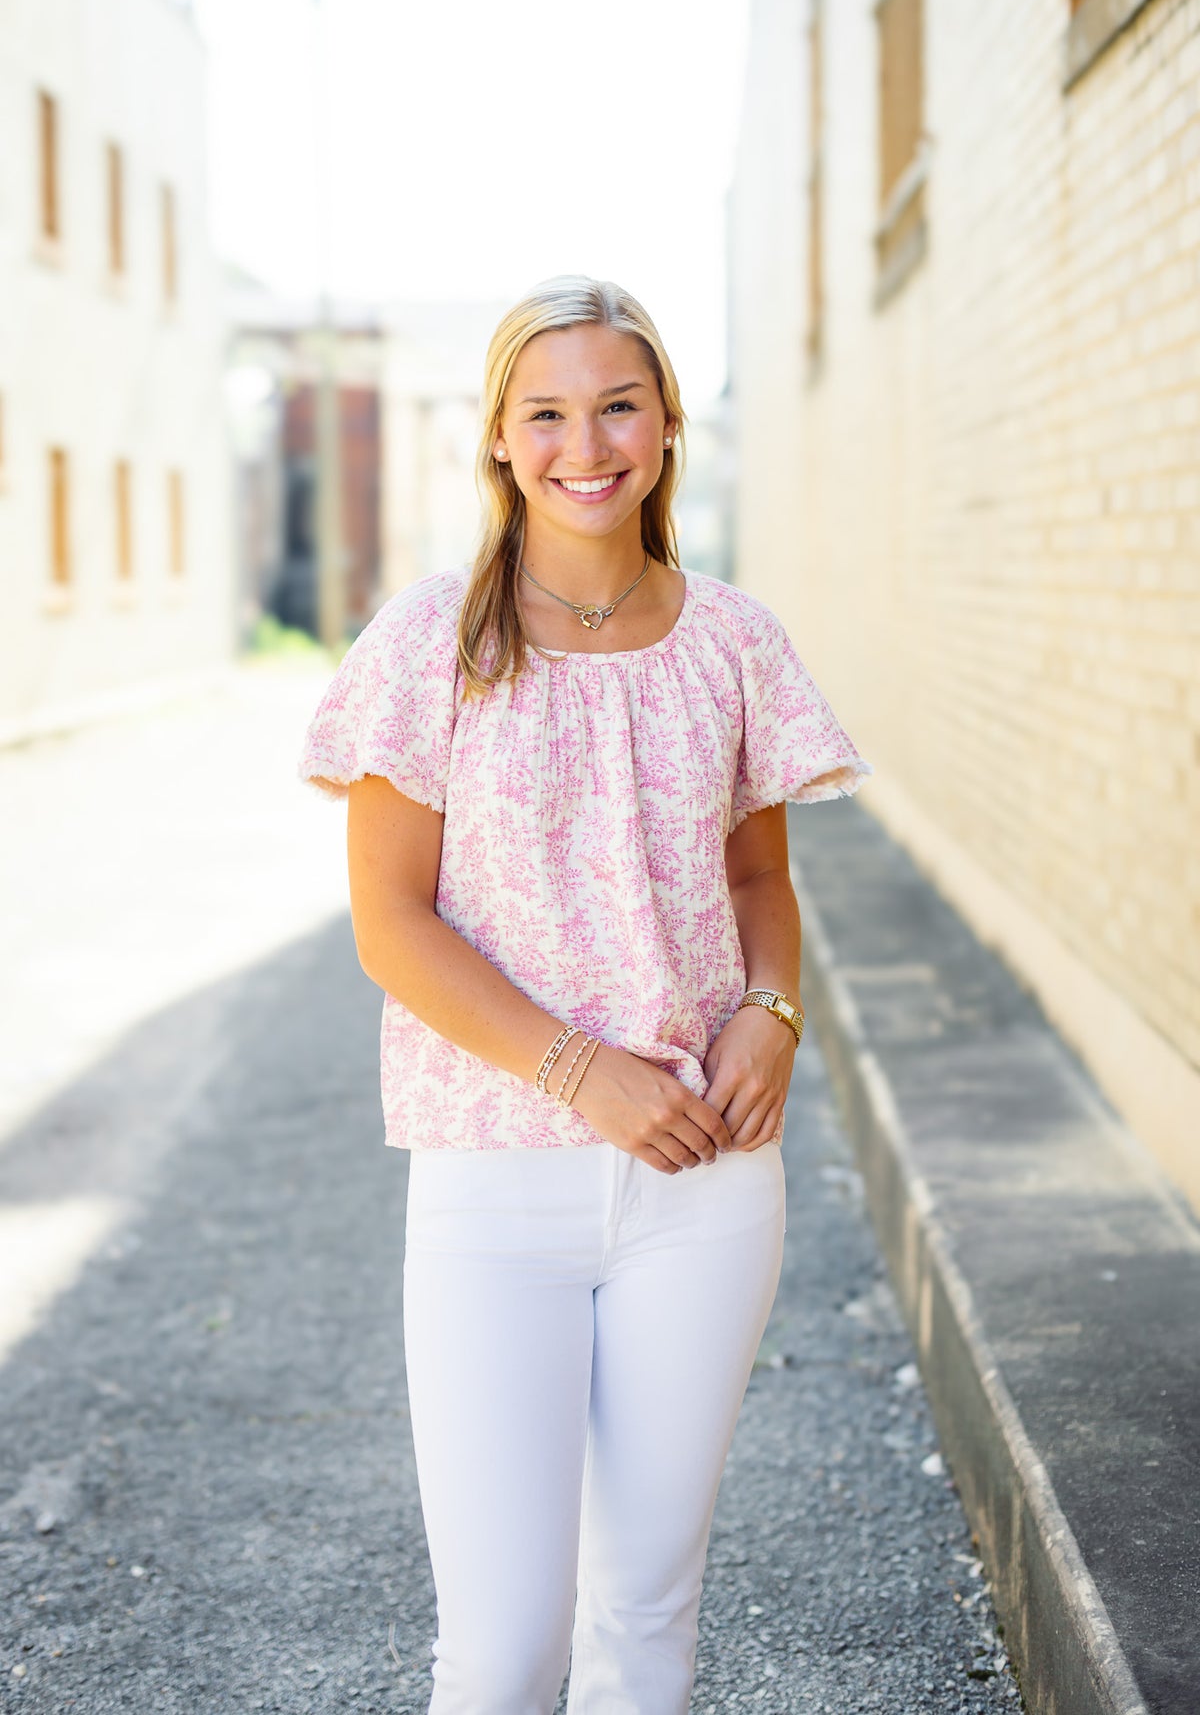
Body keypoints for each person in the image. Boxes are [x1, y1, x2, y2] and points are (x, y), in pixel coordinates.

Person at [297, 274, 873, 1714]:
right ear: (498, 438)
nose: (586, 442)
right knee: (501, 1651)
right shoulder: (431, 641)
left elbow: (758, 886)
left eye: (619, 403)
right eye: (546, 412)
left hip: (705, 1182)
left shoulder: (735, 641)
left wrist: (772, 1013)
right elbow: (390, 920)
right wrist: (577, 1072)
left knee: (644, 1623)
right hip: (497, 1192)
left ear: (670, 423)